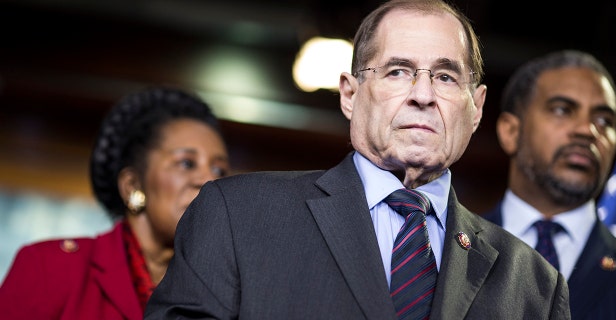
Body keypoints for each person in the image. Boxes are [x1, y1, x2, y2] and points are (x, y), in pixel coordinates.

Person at [145, 0, 570, 319]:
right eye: (397, 71)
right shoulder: (236, 215)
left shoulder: (535, 285)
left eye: (444, 76)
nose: (422, 95)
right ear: (349, 94)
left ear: (475, 107)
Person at [0, 86, 231, 319]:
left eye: (219, 169)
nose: (210, 181)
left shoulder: (227, 296)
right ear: (132, 185)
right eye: (186, 163)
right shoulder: (50, 268)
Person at [482, 49, 616, 319]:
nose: (587, 130)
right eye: (562, 110)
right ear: (510, 131)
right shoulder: (450, 247)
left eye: (604, 120)